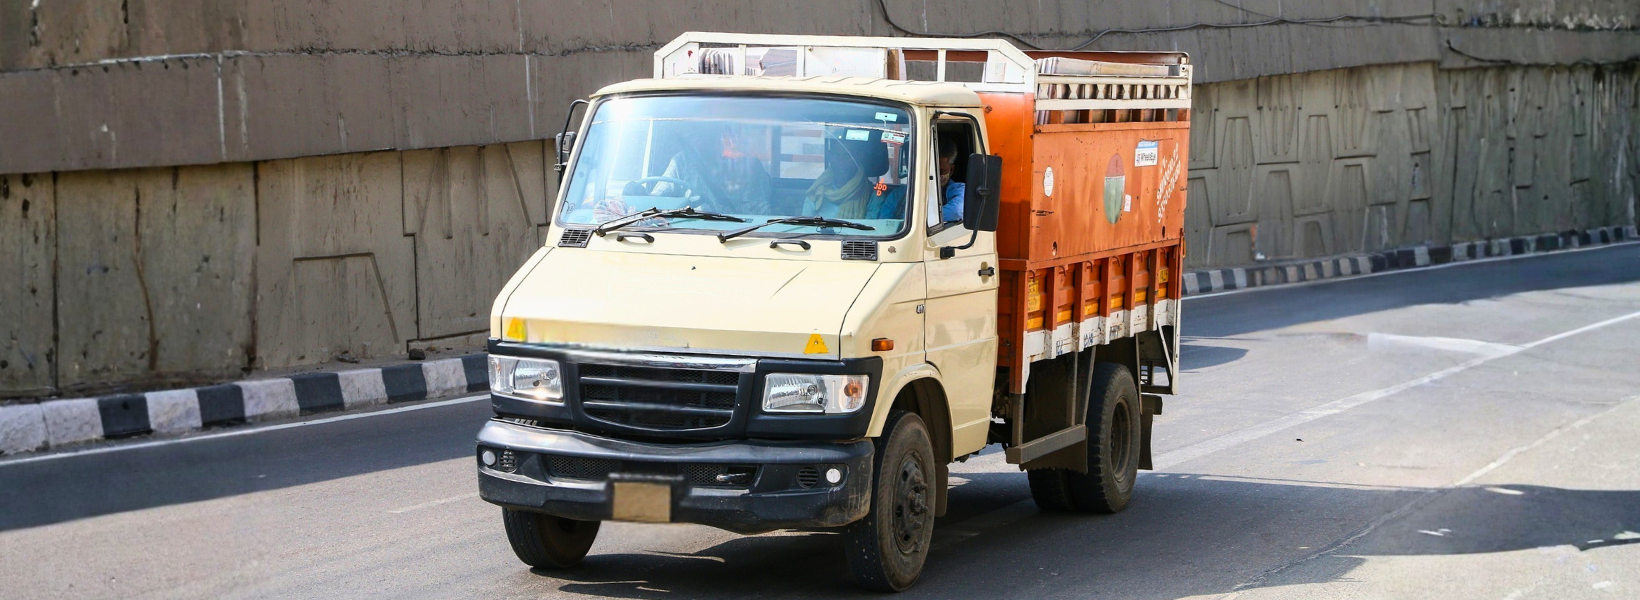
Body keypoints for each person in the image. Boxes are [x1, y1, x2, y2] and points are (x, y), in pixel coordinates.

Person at [652, 124, 773, 214]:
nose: (701, 141)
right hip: (684, 230)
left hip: (732, 233)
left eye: (708, 135)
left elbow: (759, 212)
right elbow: (657, 199)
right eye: (696, 135)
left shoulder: (749, 167)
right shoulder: (682, 161)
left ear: (723, 137)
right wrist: (643, 197)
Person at [803, 137, 883, 220]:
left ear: (859, 156)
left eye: (847, 155)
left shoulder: (872, 196)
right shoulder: (817, 192)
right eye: (836, 155)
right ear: (830, 158)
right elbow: (805, 224)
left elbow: (869, 227)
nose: (841, 161)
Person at [935, 138, 966, 225]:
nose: (935, 175)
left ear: (951, 170)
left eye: (941, 171)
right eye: (931, 170)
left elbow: (956, 211)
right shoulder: (904, 191)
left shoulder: (960, 190)